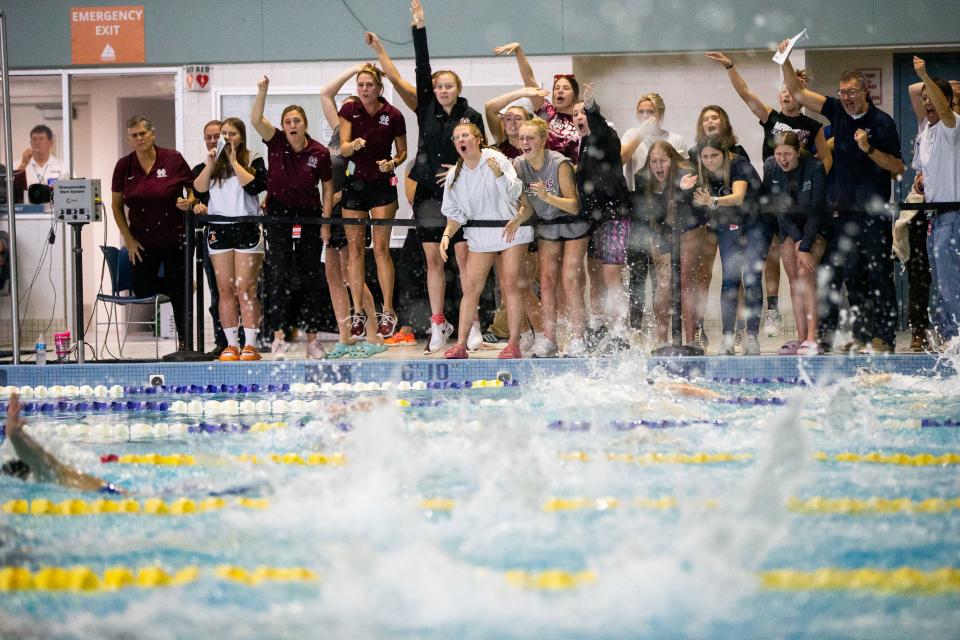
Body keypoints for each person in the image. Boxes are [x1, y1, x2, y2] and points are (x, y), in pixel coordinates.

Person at [368, 0, 487, 353]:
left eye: (449, 86)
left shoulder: (472, 116)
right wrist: (417, 28)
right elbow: (422, 65)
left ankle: (473, 320)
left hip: (462, 195)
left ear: (458, 88)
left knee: (465, 260)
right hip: (429, 195)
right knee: (433, 259)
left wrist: (461, 168)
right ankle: (439, 324)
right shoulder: (426, 108)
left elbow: (486, 153)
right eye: (439, 86)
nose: (443, 90)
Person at [781, 42, 905, 353]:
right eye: (842, 92)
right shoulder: (836, 110)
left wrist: (869, 150)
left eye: (851, 92)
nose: (846, 98)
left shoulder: (882, 123)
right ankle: (862, 336)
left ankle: (884, 338)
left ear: (866, 92)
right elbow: (798, 94)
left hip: (873, 212)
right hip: (843, 212)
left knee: (879, 275)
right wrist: (783, 61)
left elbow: (898, 167)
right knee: (853, 275)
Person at [706, 52, 834, 340]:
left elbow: (824, 160)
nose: (787, 95)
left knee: (802, 269)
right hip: (774, 199)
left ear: (802, 95)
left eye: (793, 90)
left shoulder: (813, 127)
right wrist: (730, 67)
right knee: (773, 254)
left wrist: (809, 187)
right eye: (784, 91)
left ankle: (810, 334)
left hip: (800, 202)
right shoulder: (771, 119)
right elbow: (746, 94)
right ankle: (775, 311)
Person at [250, 76, 336, 360]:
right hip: (278, 215)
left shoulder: (319, 153)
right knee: (279, 276)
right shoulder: (274, 141)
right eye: (288, 121)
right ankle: (278, 339)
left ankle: (313, 341)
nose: (292, 125)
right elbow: (255, 119)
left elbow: (327, 187)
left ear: (305, 125)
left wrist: (325, 222)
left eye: (297, 120)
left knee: (311, 278)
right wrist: (262, 91)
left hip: (309, 217)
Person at [439, 123, 530, 359]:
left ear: (478, 139)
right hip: (480, 234)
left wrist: (499, 175)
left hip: (510, 228)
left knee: (510, 284)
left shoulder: (496, 159)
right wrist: (447, 234)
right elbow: (455, 214)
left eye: (466, 135)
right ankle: (460, 345)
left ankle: (513, 343)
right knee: (470, 288)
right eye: (457, 137)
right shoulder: (454, 175)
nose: (461, 139)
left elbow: (514, 193)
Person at [111, 115, 195, 351]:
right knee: (142, 287)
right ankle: (185, 284)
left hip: (176, 236)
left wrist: (188, 201)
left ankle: (184, 343)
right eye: (134, 135)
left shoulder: (173, 159)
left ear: (152, 134)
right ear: (129, 139)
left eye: (143, 134)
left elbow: (193, 189)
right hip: (143, 241)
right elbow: (116, 206)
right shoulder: (124, 166)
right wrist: (129, 240)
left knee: (179, 293)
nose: (139, 139)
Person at [319, 65, 385, 358]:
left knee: (352, 275)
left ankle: (373, 335)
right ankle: (345, 336)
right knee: (333, 277)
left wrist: (332, 200)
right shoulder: (339, 135)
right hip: (327, 215)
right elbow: (325, 93)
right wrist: (355, 70)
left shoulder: (367, 138)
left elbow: (358, 182)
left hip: (349, 209)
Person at [338, 64, 407, 340]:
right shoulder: (349, 111)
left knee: (380, 248)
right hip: (354, 185)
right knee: (355, 249)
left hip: (381, 185)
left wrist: (391, 163)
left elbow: (403, 153)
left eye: (369, 85)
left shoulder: (393, 115)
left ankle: (387, 310)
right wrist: (352, 146)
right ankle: (357, 311)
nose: (364, 89)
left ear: (379, 88)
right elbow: (342, 147)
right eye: (361, 85)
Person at [193, 117, 267, 362]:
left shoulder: (253, 158)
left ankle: (251, 344)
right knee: (225, 290)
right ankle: (231, 344)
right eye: (223, 133)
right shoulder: (211, 163)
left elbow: (255, 186)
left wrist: (234, 162)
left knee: (245, 289)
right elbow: (199, 189)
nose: (226, 138)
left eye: (231, 134)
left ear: (241, 136)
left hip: (246, 227)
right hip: (219, 229)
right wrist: (211, 163)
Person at [513, 117, 587, 357]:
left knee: (570, 279)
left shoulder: (559, 164)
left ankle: (578, 338)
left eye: (530, 137)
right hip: (548, 225)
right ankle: (549, 338)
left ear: (543, 141)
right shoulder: (519, 166)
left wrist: (546, 197)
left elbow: (574, 206)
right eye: (522, 138)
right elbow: (528, 207)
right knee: (545, 281)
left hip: (573, 223)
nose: (525, 142)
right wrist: (517, 219)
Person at [620, 93, 687, 336]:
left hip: (666, 209)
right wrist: (641, 132)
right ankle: (635, 329)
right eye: (642, 112)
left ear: (661, 113)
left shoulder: (675, 139)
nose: (646, 117)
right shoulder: (632, 134)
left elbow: (682, 172)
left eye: (651, 112)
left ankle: (664, 330)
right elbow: (621, 158)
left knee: (664, 276)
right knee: (638, 272)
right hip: (639, 205)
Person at [692, 135, 766, 355]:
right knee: (729, 281)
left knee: (751, 278)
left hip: (755, 223)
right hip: (730, 224)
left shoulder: (739, 163)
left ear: (724, 154)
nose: (710, 160)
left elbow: (738, 196)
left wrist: (712, 201)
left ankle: (752, 336)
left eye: (714, 155)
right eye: (705, 157)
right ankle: (728, 337)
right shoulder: (703, 171)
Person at [574, 83, 633, 354]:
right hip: (595, 219)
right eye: (575, 115)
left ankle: (621, 328)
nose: (579, 118)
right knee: (595, 273)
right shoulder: (583, 146)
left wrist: (590, 106)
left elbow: (597, 123)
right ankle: (597, 325)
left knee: (611, 273)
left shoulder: (606, 136)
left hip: (615, 215)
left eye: (582, 114)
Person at [762, 132, 828, 355]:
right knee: (793, 280)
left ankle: (812, 336)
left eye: (788, 153)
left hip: (815, 227)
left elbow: (817, 210)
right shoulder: (771, 167)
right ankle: (800, 337)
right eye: (778, 153)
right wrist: (797, 239)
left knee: (804, 273)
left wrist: (806, 245)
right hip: (789, 228)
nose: (783, 159)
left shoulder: (814, 167)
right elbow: (778, 209)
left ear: (798, 151)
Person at [688, 105, 748, 349]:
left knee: (734, 276)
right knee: (703, 274)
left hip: (731, 220)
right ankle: (699, 328)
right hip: (705, 222)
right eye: (706, 119)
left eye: (715, 117)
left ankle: (741, 328)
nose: (710, 121)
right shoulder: (694, 153)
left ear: (724, 122)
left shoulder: (737, 153)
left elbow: (743, 190)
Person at [633, 141, 704, 346]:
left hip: (690, 227)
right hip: (662, 228)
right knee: (663, 283)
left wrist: (681, 191)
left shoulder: (686, 173)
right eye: (654, 161)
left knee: (685, 281)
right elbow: (649, 215)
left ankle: (690, 340)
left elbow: (693, 210)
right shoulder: (643, 178)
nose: (658, 166)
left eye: (663, 160)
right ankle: (661, 338)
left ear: (672, 160)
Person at [912, 56, 960, 344]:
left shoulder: (951, 126)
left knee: (949, 283)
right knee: (939, 283)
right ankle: (946, 338)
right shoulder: (926, 132)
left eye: (933, 99)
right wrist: (922, 180)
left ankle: (956, 339)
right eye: (924, 99)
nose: (928, 103)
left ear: (948, 101)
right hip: (934, 217)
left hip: (953, 216)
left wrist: (925, 75)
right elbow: (924, 168)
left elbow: (945, 112)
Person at [3, 394, 124, 493]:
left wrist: (16, 436)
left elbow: (41, 461)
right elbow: (42, 460)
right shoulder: (60, 475)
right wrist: (17, 436)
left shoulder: (50, 477)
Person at [495, 41, 580, 161]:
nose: (560, 91)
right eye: (556, 88)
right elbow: (529, 79)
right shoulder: (548, 112)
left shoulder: (581, 119)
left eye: (566, 88)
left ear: (575, 96)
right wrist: (519, 52)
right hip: (548, 172)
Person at [191, 120, 229, 356]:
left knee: (240, 292)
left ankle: (245, 339)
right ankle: (221, 340)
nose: (213, 141)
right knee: (217, 292)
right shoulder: (199, 170)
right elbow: (195, 196)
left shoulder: (239, 166)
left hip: (238, 237)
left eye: (218, 136)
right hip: (212, 238)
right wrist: (195, 205)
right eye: (209, 137)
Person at [15, 124, 64, 199]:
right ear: (30, 143)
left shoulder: (62, 166)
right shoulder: (19, 165)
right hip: (27, 208)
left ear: (50, 143)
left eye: (41, 139)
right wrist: (24, 164)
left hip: (53, 208)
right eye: (34, 139)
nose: (37, 142)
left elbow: (72, 189)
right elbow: (12, 190)